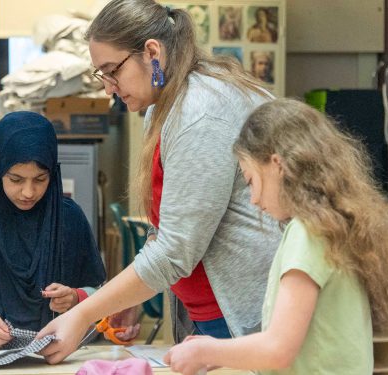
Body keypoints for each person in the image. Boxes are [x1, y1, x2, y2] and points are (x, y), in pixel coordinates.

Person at [37, 0, 281, 363]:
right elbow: (166, 226)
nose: (108, 89)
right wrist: (129, 296)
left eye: (112, 71)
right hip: (210, 311)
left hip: (243, 317)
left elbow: (175, 251)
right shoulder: (163, 105)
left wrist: (82, 314)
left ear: (152, 51)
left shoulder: (200, 111)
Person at [163, 99, 388, 374]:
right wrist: (226, 355)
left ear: (277, 165)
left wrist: (204, 350)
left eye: (251, 182)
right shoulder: (330, 226)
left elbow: (277, 351)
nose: (255, 200)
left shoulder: (307, 233)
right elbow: (300, 343)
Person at [0, 111, 106, 350]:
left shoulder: (69, 216)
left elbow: (96, 291)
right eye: (16, 180)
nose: (28, 192)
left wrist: (75, 297)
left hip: (55, 352)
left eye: (40, 179)